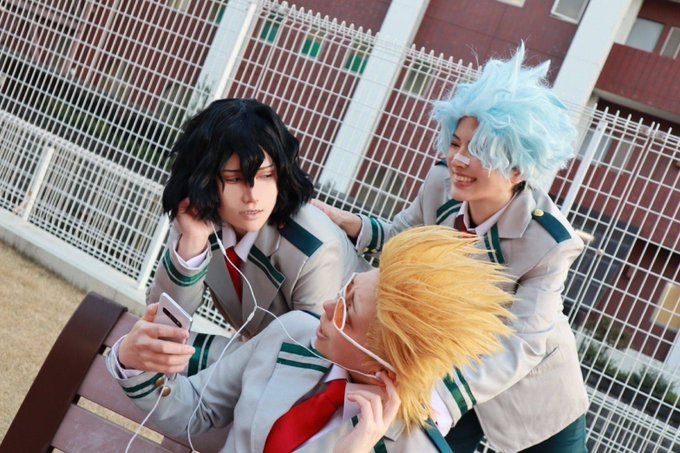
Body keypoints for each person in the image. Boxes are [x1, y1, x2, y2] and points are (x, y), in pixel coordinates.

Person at [313, 44, 589, 452]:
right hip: (443, 371)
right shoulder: (440, 185)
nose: (458, 160)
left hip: (529, 393)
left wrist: (443, 398)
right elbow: (403, 241)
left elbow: (524, 342)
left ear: (517, 169)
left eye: (477, 151)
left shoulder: (549, 242)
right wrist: (350, 224)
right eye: (456, 143)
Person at [108, 226, 514, 452]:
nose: (326, 306)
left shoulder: (414, 447)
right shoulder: (294, 332)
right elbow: (199, 409)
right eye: (345, 290)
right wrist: (133, 362)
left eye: (347, 312)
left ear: (386, 362)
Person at [123, 98, 370, 374]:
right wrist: (192, 244)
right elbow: (161, 326)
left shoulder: (313, 247)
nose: (252, 196)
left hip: (349, 382)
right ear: (204, 180)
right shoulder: (199, 220)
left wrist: (192, 355)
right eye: (234, 179)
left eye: (266, 176)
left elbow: (306, 360)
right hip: (267, 374)